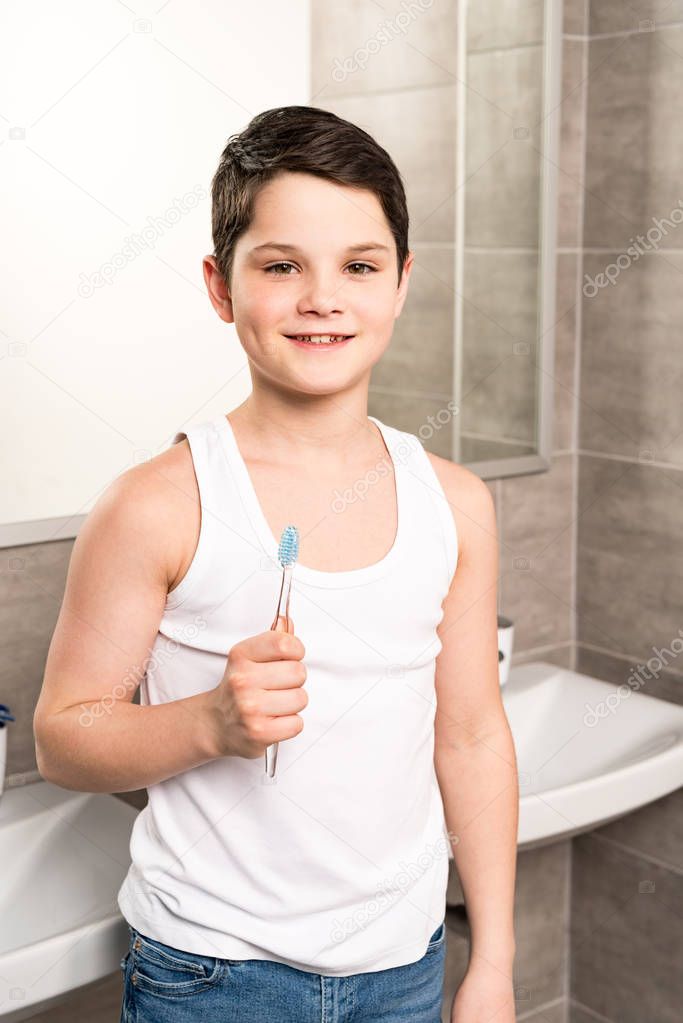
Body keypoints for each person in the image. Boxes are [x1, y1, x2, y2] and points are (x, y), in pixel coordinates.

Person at [33, 106, 518, 1023]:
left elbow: (472, 736)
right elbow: (62, 737)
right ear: (221, 286)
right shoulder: (157, 502)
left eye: (359, 267)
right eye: (281, 265)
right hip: (211, 977)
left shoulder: (456, 503)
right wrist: (210, 722)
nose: (322, 298)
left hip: (405, 967)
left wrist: (489, 957)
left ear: (402, 283)